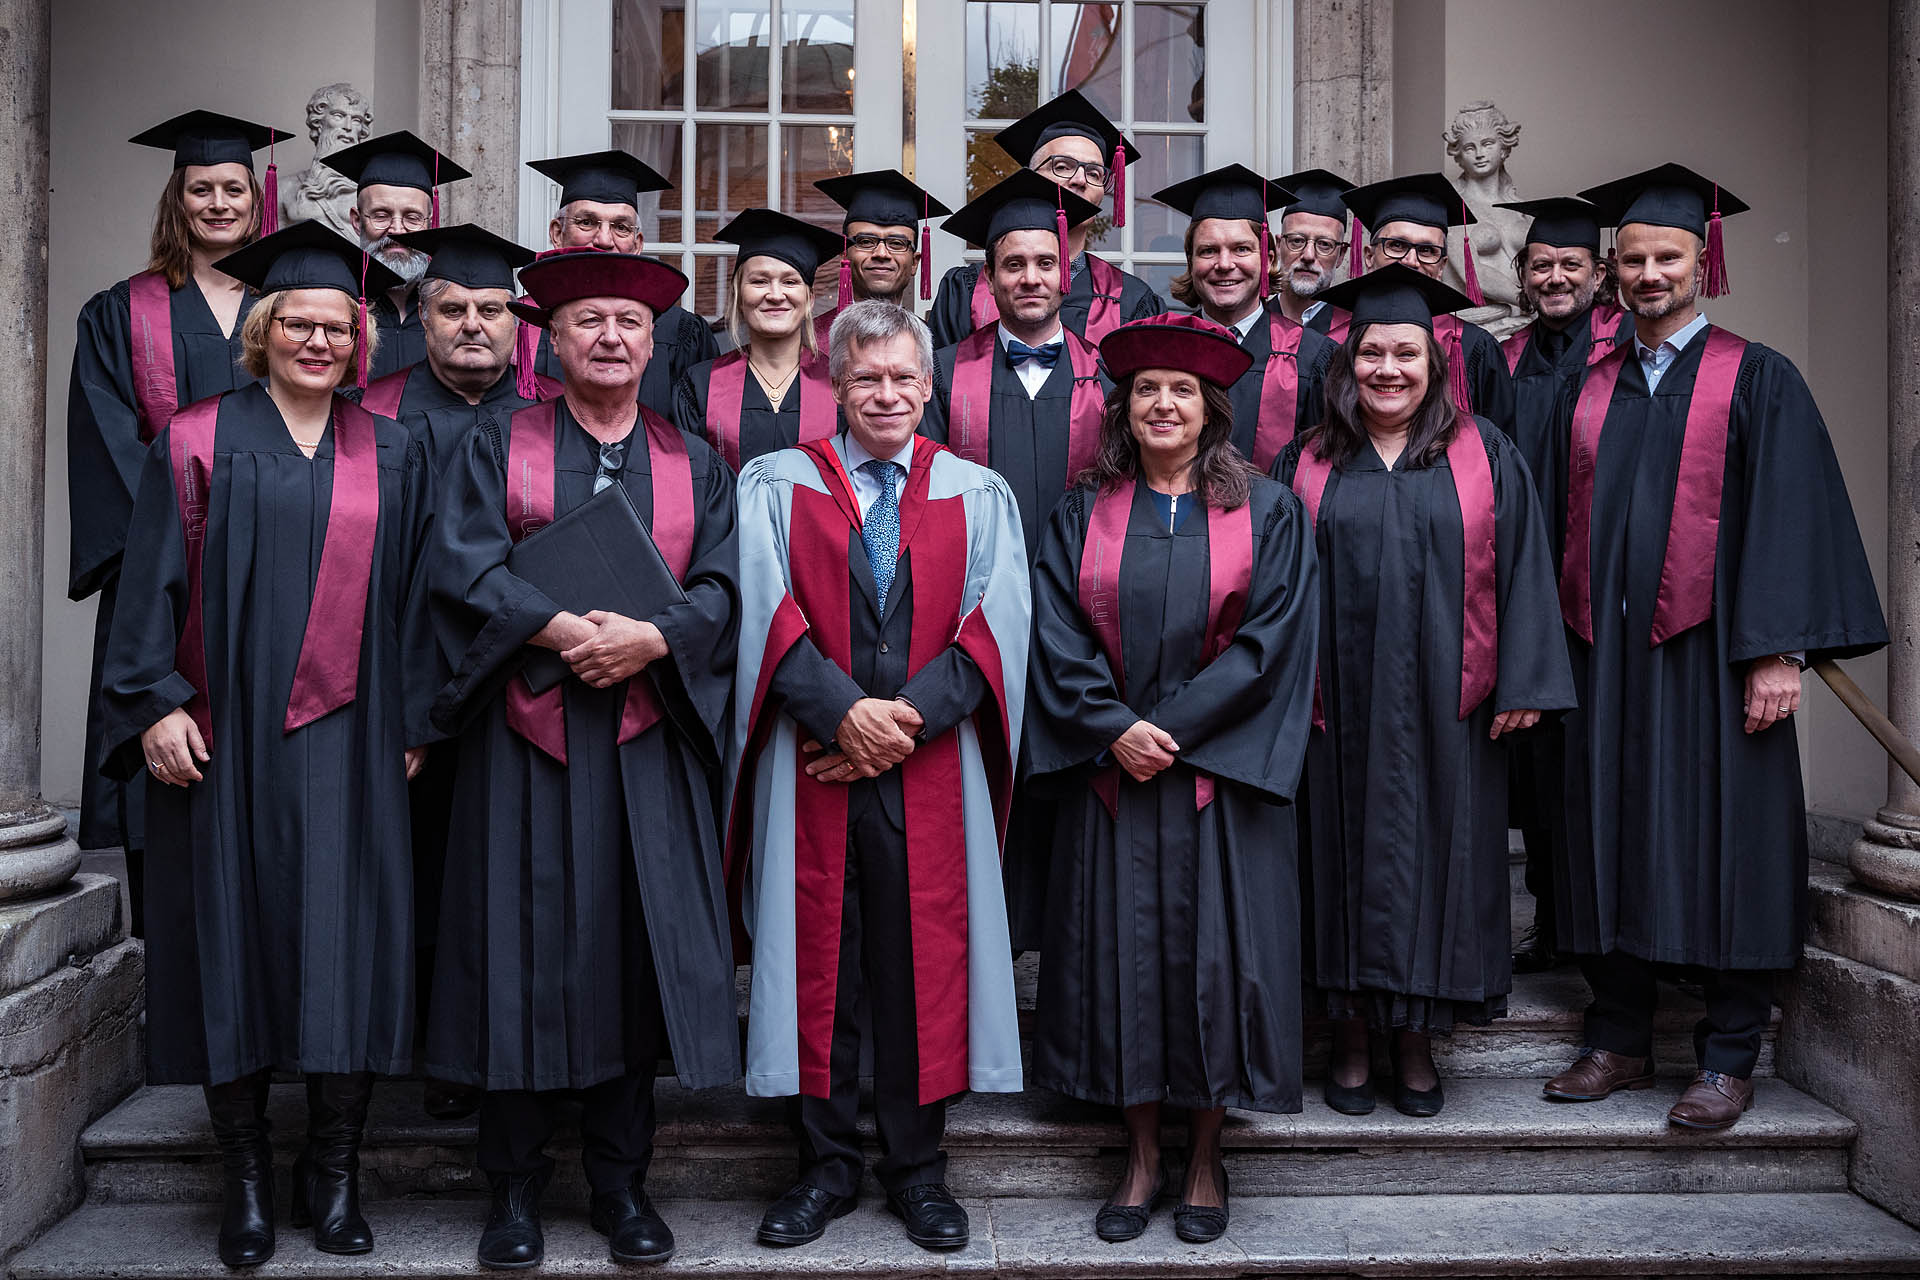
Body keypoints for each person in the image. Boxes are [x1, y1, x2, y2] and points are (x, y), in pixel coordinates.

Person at [97, 221, 426, 1268]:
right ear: (264, 330)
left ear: (358, 340)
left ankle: (334, 1171)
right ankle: (242, 1175)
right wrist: (154, 703)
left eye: (336, 328)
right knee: (228, 940)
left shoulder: (393, 448)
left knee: (348, 942)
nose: (318, 342)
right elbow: (146, 586)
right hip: (223, 737)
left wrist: (418, 718)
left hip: (357, 735)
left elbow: (422, 602)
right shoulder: (196, 437)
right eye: (299, 325)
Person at [1540, 165, 1887, 1129]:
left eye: (1668, 257)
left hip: (1715, 658)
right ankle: (1617, 1037)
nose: (1649, 274)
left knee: (1730, 835)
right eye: (1633, 260)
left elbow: (1793, 515)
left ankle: (1729, 1054)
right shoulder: (1585, 388)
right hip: (1604, 660)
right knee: (1606, 828)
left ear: (1704, 261)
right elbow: (1551, 525)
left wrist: (1778, 651)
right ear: (1611, 270)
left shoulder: (1758, 378)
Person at [423, 247, 740, 1269]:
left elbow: (725, 588)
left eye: (629, 323)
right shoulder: (495, 443)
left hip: (648, 736)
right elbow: (462, 566)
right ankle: (512, 1188)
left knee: (631, 953)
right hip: (526, 737)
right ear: (550, 341)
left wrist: (653, 638)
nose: (610, 337)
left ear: (654, 343)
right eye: (588, 321)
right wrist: (562, 631)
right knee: (514, 947)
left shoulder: (697, 461)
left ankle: (620, 1182)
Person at [729, 300, 1029, 1253]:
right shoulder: (775, 483)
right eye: (866, 378)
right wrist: (842, 714)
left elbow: (994, 625)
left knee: (918, 969)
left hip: (929, 768)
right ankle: (822, 1168)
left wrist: (900, 726)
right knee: (821, 968)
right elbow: (764, 611)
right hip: (812, 766)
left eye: (903, 377)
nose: (886, 394)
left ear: (930, 385)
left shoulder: (978, 492)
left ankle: (917, 1171)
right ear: (836, 385)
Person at [1026, 313, 1318, 1243]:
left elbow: (1272, 642)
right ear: (1123, 408)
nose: (1163, 404)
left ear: (1211, 410)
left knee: (1217, 967)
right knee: (1123, 964)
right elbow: (1055, 632)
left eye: (1182, 390)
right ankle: (1142, 1154)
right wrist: (1113, 728)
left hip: (1216, 781)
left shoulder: (1268, 511)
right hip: (1114, 779)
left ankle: (1204, 1157)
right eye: (1146, 389)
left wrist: (1174, 730)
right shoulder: (1082, 511)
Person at [1272, 265, 1574, 1120]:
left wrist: (1523, 680)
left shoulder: (1485, 453)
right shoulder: (1306, 461)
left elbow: (1526, 565)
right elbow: (1273, 584)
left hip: (1451, 705)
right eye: (1372, 353)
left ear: (1435, 363)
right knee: (1336, 860)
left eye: (1406, 353)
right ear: (1347, 363)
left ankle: (1416, 1040)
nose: (1388, 369)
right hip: (1334, 708)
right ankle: (1350, 1036)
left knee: (1441, 861)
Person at [67, 110, 291, 934]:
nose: (219, 202)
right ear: (178, 199)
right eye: (202, 189)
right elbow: (106, 438)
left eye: (234, 187)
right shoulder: (121, 312)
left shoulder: (290, 307)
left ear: (257, 199)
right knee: (166, 759)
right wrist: (186, 537)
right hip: (159, 577)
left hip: (276, 568)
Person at [360, 221, 559, 1123]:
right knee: (419, 861)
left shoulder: (551, 416)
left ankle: (512, 1043)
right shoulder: (370, 417)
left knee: (510, 872)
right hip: (405, 678)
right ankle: (420, 1044)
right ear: (422, 318)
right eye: (453, 310)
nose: (473, 324)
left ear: (519, 324)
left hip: (523, 680)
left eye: (490, 309)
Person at [919, 170, 1111, 950]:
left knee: (1070, 799)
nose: (1030, 277)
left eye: (1044, 262)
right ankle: (979, 969)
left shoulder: (1112, 376)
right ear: (988, 279)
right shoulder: (941, 372)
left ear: (1068, 272)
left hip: (1083, 627)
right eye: (1013, 264)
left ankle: (1065, 970)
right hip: (970, 621)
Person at [1488, 196, 1631, 975]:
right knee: (1538, 768)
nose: (1554, 278)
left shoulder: (1625, 356)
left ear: (1598, 274)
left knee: (1604, 767)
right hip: (1525, 596)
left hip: (1604, 599)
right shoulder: (1502, 361)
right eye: (1540, 265)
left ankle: (1615, 929)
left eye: (1570, 265)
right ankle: (1551, 920)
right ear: (1523, 274)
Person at [928, 89, 1164, 347]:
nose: (1079, 180)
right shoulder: (967, 291)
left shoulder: (1131, 300)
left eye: (1094, 173)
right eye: (1062, 166)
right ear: (1030, 177)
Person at [1154, 163, 1336, 470]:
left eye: (1241, 249)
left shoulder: (1313, 357)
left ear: (1267, 258)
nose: (1225, 264)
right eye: (1208, 251)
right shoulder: (1163, 349)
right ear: (1191, 261)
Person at [525, 149, 720, 418]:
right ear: (558, 234)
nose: (604, 240)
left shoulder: (680, 332)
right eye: (586, 222)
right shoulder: (521, 327)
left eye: (621, 227)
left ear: (637, 244)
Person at [1327, 173, 1516, 436]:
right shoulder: (1331, 345)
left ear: (1442, 266)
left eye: (1427, 251)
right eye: (1396, 245)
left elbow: (1497, 446)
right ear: (1369, 256)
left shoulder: (1474, 347)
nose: (1411, 261)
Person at [673, 208, 843, 468]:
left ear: (809, 299)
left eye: (790, 282)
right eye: (759, 281)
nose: (775, 295)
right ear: (739, 296)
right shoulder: (700, 387)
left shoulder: (841, 386)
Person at [321, 130, 472, 379]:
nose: (397, 230)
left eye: (412, 217)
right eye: (381, 215)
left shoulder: (452, 307)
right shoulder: (334, 302)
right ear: (357, 221)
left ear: (430, 223)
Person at [811, 168, 953, 333]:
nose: (881, 253)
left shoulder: (933, 342)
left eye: (897, 243)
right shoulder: (809, 341)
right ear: (844, 255)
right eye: (865, 242)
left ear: (915, 263)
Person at [1271, 168, 1358, 328]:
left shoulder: (1354, 333)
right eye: (1297, 241)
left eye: (1324, 244)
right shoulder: (1248, 327)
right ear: (1278, 246)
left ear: (1341, 255)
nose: (1308, 255)